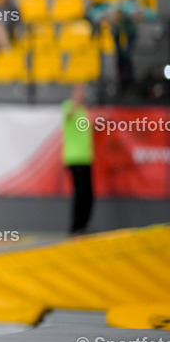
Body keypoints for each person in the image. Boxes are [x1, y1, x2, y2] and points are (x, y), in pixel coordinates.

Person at [62, 85, 93, 235]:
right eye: (80, 92)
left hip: (86, 157)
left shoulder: (83, 111)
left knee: (88, 194)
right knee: (80, 193)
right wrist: (75, 102)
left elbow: (88, 128)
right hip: (74, 157)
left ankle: (83, 225)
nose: (82, 95)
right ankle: (76, 226)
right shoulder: (69, 106)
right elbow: (68, 115)